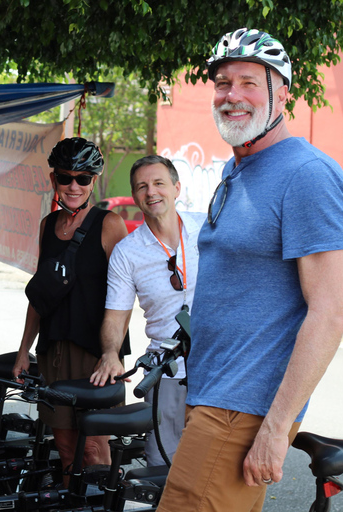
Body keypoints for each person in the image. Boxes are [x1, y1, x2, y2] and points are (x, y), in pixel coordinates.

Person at [157, 28, 343, 512]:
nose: (232, 96)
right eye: (223, 84)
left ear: (282, 92)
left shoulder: (306, 175)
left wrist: (274, 428)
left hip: (244, 410)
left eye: (249, 82)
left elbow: (330, 312)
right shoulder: (236, 168)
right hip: (215, 396)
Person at [12, 137, 128, 480]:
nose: (74, 185)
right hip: (53, 350)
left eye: (83, 178)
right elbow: (40, 296)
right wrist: (24, 351)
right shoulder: (48, 226)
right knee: (64, 448)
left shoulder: (110, 224)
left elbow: (125, 297)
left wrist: (113, 352)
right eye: (66, 177)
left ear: (94, 181)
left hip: (95, 355)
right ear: (54, 180)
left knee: (92, 449)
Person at [90, 155, 205, 466]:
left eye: (158, 183)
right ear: (135, 195)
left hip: (217, 368)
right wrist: (110, 353)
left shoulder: (206, 230)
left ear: (177, 188)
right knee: (164, 468)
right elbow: (115, 315)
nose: (151, 192)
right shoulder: (127, 252)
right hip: (166, 372)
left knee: (214, 468)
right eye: (141, 187)